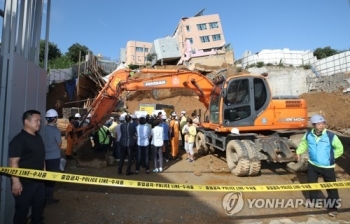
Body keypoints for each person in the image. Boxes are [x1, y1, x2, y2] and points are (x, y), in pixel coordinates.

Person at [296, 114, 343, 217]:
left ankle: (333, 208)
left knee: (331, 188)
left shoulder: (331, 136)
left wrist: (330, 157)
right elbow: (303, 144)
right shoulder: (308, 134)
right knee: (312, 184)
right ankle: (314, 201)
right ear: (313, 125)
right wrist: (298, 152)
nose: (321, 126)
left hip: (327, 167)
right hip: (313, 165)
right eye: (319, 124)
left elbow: (340, 149)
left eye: (323, 123)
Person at [8, 110, 46, 224]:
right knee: (21, 212)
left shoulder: (38, 138)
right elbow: (13, 162)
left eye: (40, 120)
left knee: (39, 209)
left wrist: (44, 174)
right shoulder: (19, 140)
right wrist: (16, 182)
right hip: (24, 183)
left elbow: (41, 157)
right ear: (26, 122)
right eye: (36, 120)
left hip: (39, 182)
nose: (39, 123)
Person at [43, 109, 61, 204]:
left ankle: (43, 196)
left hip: (43, 157)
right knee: (52, 178)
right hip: (54, 157)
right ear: (54, 119)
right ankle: (49, 198)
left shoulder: (42, 130)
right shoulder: (56, 131)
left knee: (44, 177)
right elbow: (59, 145)